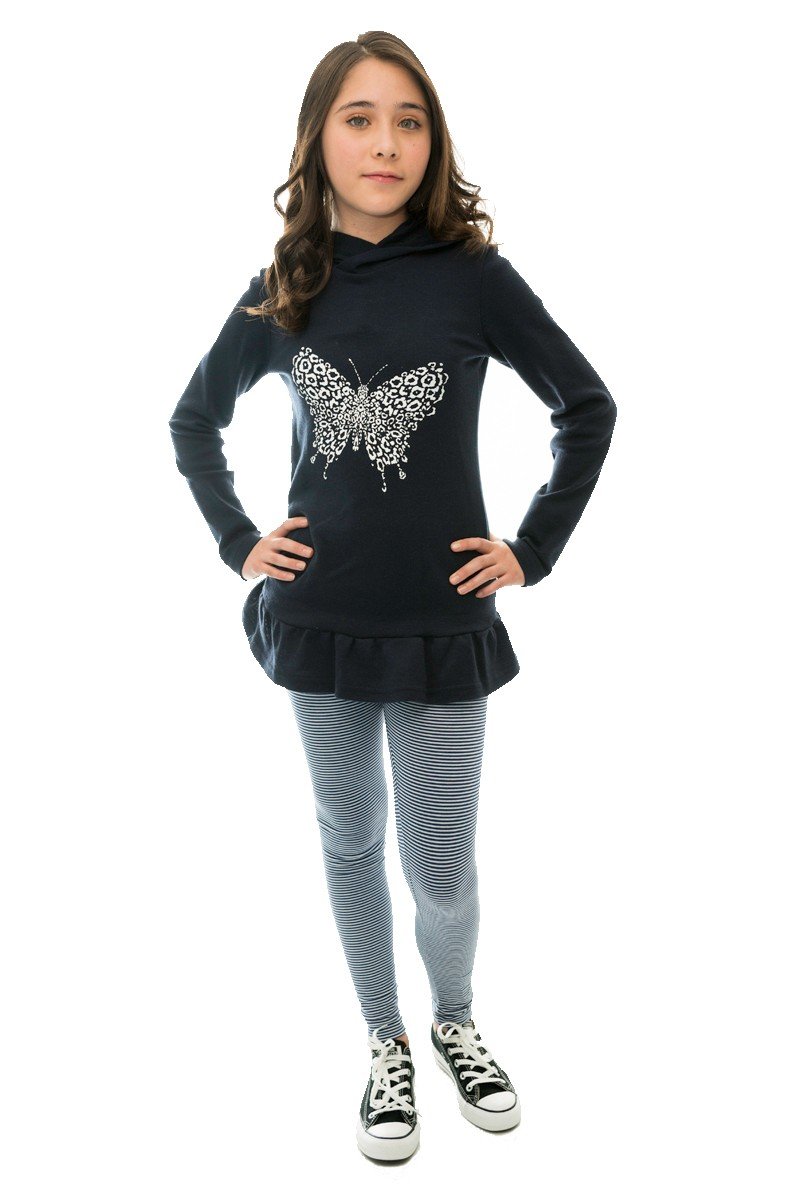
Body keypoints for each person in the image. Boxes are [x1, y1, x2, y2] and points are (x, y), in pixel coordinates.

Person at [168, 31, 617, 1163]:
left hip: (441, 621)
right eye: (359, 119)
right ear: (318, 138)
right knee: (348, 842)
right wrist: (239, 543)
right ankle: (386, 1042)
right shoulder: (288, 285)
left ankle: (454, 1018)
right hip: (316, 621)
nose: (385, 143)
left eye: (408, 121)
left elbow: (587, 406)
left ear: (433, 141)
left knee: (441, 864)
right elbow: (192, 421)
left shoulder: (473, 279)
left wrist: (530, 549)